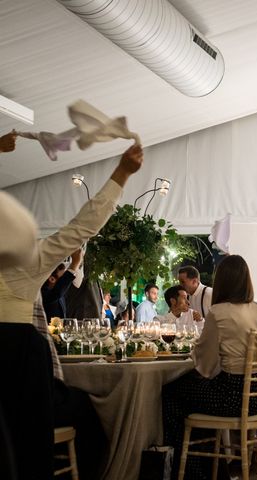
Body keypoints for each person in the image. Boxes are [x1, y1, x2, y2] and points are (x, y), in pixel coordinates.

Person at [0, 140, 144, 479]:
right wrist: (122, 173)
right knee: (90, 412)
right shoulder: (27, 263)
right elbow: (82, 226)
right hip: (22, 379)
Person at [162, 255, 257, 479]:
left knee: (169, 392)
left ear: (221, 281)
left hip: (232, 397)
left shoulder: (219, 312)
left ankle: (190, 472)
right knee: (196, 396)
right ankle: (214, 469)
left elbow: (204, 365)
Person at [40, 248, 83, 319]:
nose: (65, 280)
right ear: (52, 279)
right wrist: (75, 263)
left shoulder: (60, 293)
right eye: (63, 276)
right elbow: (57, 292)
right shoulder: (41, 293)